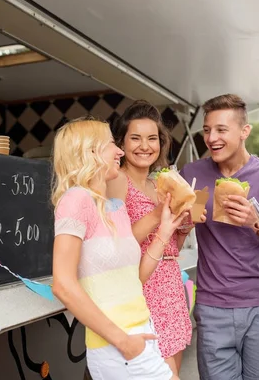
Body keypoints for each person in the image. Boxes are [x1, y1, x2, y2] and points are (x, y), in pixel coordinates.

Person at [50, 117, 187, 380]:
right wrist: (124, 342)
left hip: (143, 334)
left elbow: (134, 280)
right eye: (113, 144)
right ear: (91, 152)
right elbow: (63, 285)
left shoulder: (115, 207)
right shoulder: (75, 200)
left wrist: (165, 230)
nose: (120, 152)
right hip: (118, 348)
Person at [180, 94, 259, 380]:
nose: (211, 138)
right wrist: (182, 222)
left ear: (244, 132)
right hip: (211, 305)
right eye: (206, 130)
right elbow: (178, 232)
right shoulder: (192, 175)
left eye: (221, 130)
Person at [107, 100, 194, 376]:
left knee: (173, 370)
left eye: (152, 138)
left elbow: (171, 248)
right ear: (121, 142)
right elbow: (117, 244)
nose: (144, 146)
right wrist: (158, 214)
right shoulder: (117, 180)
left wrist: (183, 228)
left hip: (170, 286)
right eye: (135, 138)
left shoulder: (159, 183)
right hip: (143, 290)